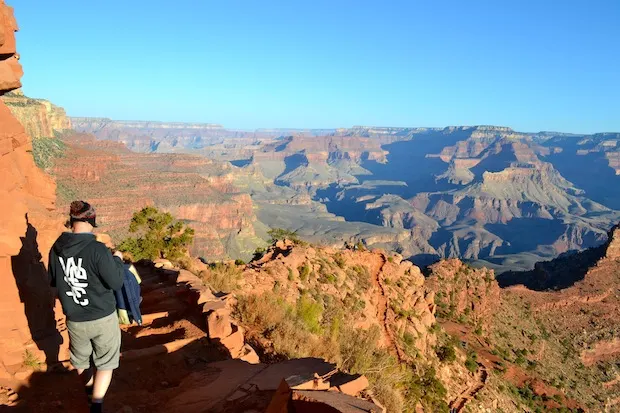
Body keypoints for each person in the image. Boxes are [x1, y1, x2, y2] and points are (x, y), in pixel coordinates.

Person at [48, 201, 124, 413]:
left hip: (75, 318)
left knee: (80, 360)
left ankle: (89, 390)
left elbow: (54, 281)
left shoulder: (56, 248)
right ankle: (97, 404)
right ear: (91, 221)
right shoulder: (97, 249)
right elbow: (116, 282)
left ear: (72, 221)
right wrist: (117, 260)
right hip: (103, 317)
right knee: (106, 362)